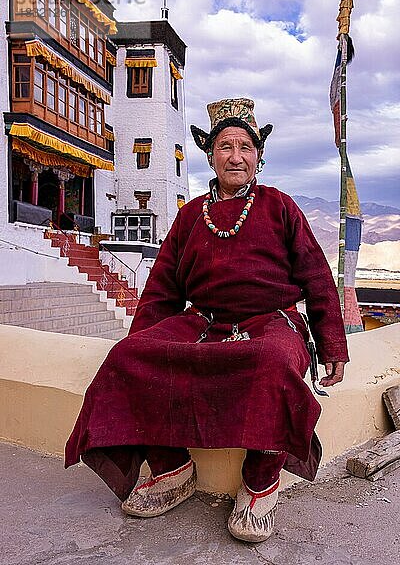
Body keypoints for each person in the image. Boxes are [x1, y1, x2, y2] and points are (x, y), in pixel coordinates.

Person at [65, 98, 349, 543]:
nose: (236, 156)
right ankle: (173, 469)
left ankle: (259, 486)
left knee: (274, 361)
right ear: (210, 154)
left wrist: (332, 346)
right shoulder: (189, 214)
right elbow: (161, 289)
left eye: (245, 147)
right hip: (203, 320)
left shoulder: (280, 207)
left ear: (259, 156)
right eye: (225, 146)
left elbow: (316, 275)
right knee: (129, 356)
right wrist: (144, 344)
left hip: (271, 321)